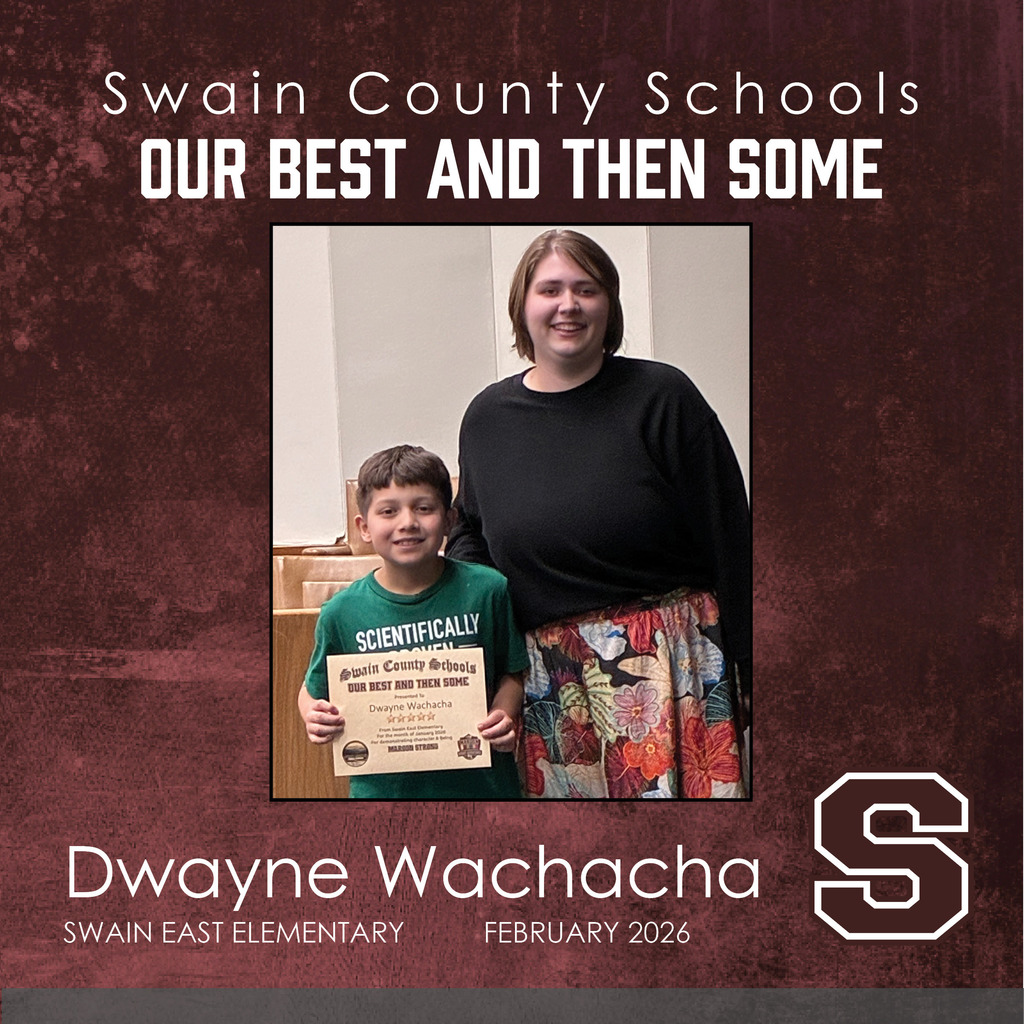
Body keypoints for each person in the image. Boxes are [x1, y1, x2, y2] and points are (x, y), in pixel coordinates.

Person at [446, 229, 751, 799]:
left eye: (586, 289)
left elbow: (729, 535)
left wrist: (754, 665)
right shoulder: (487, 417)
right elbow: (471, 540)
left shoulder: (663, 396)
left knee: (684, 864)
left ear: (608, 304)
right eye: (551, 290)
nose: (568, 305)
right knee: (573, 866)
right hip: (548, 681)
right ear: (523, 306)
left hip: (670, 667)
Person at [298, 445, 527, 799]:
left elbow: (512, 672)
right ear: (364, 527)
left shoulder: (487, 590)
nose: (408, 522)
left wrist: (503, 712)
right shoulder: (341, 612)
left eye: (423, 508)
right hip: (383, 795)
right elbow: (313, 691)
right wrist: (313, 714)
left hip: (483, 787)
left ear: (450, 520)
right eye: (388, 511)